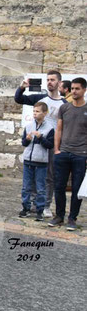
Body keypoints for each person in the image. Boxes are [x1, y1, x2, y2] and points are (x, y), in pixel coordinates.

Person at [14, 70, 66, 218]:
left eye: (53, 80)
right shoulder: (40, 98)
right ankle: (32, 204)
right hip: (34, 144)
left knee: (48, 177)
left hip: (52, 143)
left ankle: (46, 206)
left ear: (59, 83)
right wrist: (22, 87)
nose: (50, 82)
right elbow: (19, 99)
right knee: (32, 176)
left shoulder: (64, 104)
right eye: (48, 79)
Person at [50, 77, 87, 231]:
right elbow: (59, 130)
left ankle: (72, 218)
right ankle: (59, 216)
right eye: (72, 88)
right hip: (63, 153)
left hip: (81, 154)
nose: (74, 91)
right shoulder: (64, 108)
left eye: (77, 88)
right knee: (59, 186)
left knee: (77, 190)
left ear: (84, 90)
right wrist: (57, 150)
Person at [19, 102, 54, 221]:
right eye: (34, 111)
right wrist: (27, 139)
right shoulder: (28, 126)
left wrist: (41, 138)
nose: (35, 113)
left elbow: (50, 145)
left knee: (40, 187)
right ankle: (26, 208)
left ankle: (40, 210)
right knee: (26, 186)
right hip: (28, 160)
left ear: (44, 113)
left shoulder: (49, 128)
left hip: (41, 162)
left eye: (38, 111)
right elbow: (23, 143)